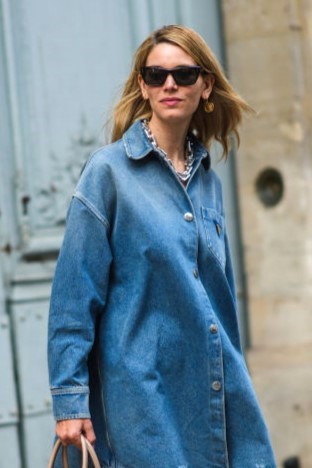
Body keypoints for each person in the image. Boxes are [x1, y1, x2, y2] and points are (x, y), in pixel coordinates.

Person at [48, 24, 276, 467]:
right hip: (144, 402)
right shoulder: (108, 174)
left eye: (184, 74)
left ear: (206, 85)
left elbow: (220, 303)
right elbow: (74, 297)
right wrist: (69, 402)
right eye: (156, 75)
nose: (170, 84)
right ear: (143, 86)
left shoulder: (208, 181)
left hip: (211, 388)